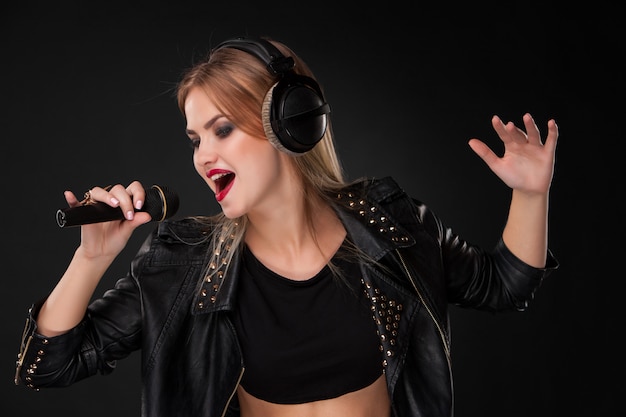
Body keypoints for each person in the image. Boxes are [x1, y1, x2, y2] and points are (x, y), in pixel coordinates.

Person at [13, 36, 559, 417]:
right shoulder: (181, 263)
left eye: (222, 129)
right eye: (195, 138)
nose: (204, 156)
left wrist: (530, 193)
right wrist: (92, 258)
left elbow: (505, 285)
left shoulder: (392, 226)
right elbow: (47, 367)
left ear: (291, 122)